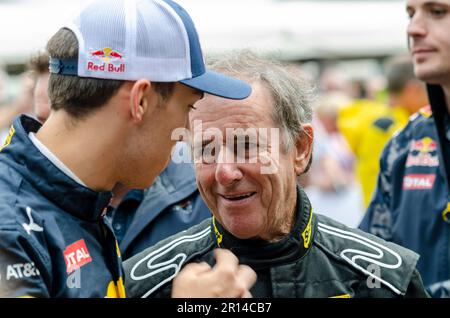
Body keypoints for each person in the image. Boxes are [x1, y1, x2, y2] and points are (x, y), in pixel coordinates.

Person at [0, 0, 256, 298]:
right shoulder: (11, 225)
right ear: (141, 101)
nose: (185, 130)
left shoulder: (80, 202)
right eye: (187, 107)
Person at [123, 51, 429, 298]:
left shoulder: (387, 278)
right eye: (207, 150)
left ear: (300, 148)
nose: (225, 172)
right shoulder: (143, 284)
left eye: (246, 145)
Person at [360, 0, 450, 297]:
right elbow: (371, 258)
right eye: (410, 14)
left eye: (438, 12)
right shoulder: (405, 142)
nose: (413, 28)